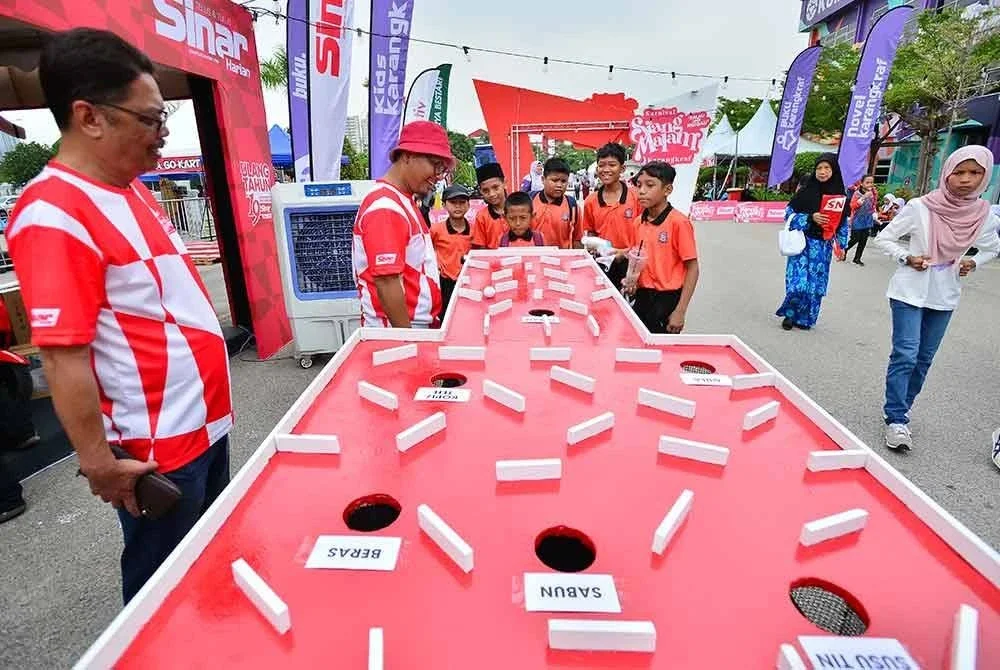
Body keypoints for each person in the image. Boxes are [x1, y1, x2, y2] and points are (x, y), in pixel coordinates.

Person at [5, 29, 233, 603]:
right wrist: (98, 463)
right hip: (157, 449)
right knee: (163, 597)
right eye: (152, 119)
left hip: (204, 425)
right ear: (89, 117)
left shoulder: (132, 191)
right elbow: (62, 355)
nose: (162, 136)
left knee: (207, 571)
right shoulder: (54, 212)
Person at [873, 146, 999, 452]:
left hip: (944, 295)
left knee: (924, 359)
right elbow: (885, 237)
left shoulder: (982, 215)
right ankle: (896, 417)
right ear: (947, 173)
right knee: (906, 353)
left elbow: (992, 247)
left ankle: (903, 406)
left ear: (985, 177)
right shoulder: (921, 207)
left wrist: (973, 262)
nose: (966, 180)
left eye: (975, 173)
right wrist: (907, 257)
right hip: (909, 291)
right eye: (959, 172)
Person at [351, 120, 453, 328]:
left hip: (413, 328)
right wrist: (405, 342)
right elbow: (387, 281)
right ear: (407, 156)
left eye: (442, 168)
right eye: (435, 164)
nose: (438, 175)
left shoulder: (402, 199)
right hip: (400, 332)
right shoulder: (385, 207)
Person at [775, 153, 849, 331]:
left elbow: (843, 223)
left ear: (834, 171)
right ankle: (790, 315)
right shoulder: (805, 193)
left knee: (815, 286)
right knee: (798, 283)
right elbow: (788, 215)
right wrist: (810, 217)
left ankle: (806, 319)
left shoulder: (840, 197)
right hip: (803, 244)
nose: (822, 172)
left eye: (827, 168)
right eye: (819, 168)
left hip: (823, 247)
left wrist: (842, 245)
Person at [623, 162, 699, 334]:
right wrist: (632, 281)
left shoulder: (679, 223)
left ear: (667, 190)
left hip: (667, 298)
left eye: (650, 185)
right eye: (639, 185)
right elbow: (638, 258)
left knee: (662, 351)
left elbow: (693, 268)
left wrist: (680, 311)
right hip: (643, 296)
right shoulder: (637, 222)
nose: (641, 191)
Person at [583, 143, 640, 289]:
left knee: (626, 306)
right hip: (602, 262)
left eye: (612, 165)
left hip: (630, 264)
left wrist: (624, 253)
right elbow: (590, 231)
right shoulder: (591, 200)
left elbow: (645, 235)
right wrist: (593, 245)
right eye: (602, 165)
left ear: (622, 168)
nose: (606, 170)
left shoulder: (637, 197)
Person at [430, 185, 472, 316]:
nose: (458, 207)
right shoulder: (436, 229)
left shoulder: (476, 230)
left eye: (462, 202)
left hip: (468, 282)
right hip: (445, 282)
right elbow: (426, 251)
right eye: (453, 203)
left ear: (468, 205)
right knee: (445, 317)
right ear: (443, 205)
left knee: (467, 316)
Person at [531, 157, 582, 250]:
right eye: (554, 180)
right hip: (533, 260)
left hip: (562, 262)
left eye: (563, 181)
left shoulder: (573, 207)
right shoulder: (530, 201)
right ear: (543, 179)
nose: (559, 185)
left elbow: (577, 240)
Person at [471, 162, 507, 250]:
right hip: (492, 262)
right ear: (480, 191)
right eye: (485, 190)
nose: (491, 194)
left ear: (504, 183)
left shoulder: (518, 208)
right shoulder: (482, 216)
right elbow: (480, 248)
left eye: (495, 188)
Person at [846, 174, 878, 266]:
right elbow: (852, 206)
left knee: (863, 240)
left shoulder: (874, 192)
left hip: (867, 219)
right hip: (857, 219)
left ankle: (857, 258)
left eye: (871, 182)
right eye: (867, 182)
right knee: (855, 239)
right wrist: (864, 197)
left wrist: (874, 213)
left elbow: (873, 204)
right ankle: (844, 250)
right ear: (862, 183)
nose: (870, 185)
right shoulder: (857, 193)